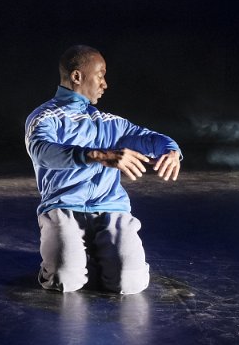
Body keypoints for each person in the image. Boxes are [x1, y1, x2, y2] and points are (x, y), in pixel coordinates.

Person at [24, 45, 181, 294]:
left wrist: (171, 150)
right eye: (100, 75)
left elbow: (150, 138)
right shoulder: (44, 117)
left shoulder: (109, 122)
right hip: (64, 208)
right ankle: (73, 255)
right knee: (63, 280)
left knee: (130, 282)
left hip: (111, 210)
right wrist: (98, 155)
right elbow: (42, 151)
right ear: (77, 76)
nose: (105, 84)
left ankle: (98, 252)